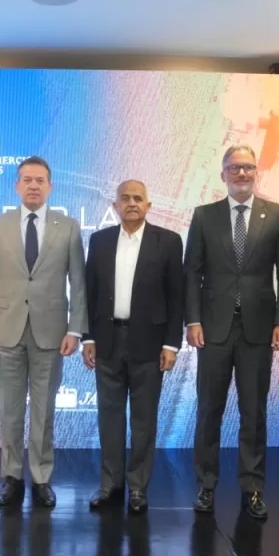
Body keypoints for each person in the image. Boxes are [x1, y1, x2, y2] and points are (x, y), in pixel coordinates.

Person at [185, 145, 279, 520]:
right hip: (213, 330)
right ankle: (206, 485)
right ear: (223, 174)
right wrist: (193, 320)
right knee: (209, 411)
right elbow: (192, 274)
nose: (242, 173)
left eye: (248, 167)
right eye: (235, 168)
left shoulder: (278, 215)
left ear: (256, 172)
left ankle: (252, 487)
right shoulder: (204, 216)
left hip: (258, 331)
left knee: (254, 412)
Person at [0, 156, 87, 509]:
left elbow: (78, 283)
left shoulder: (67, 227)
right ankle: (11, 477)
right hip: (7, 330)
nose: (34, 186)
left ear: (50, 186)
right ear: (16, 185)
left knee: (44, 410)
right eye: (27, 180)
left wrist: (75, 329)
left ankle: (41, 477)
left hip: (52, 333)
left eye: (40, 180)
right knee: (10, 409)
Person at [81, 180, 183, 514]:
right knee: (109, 417)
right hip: (108, 341)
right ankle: (110, 484)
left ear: (149, 205)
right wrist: (89, 338)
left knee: (143, 420)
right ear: (115, 205)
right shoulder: (100, 240)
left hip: (150, 345)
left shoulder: (167, 242)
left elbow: (175, 297)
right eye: (125, 198)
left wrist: (171, 344)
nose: (132, 203)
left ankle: (138, 487)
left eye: (138, 198)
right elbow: (90, 292)